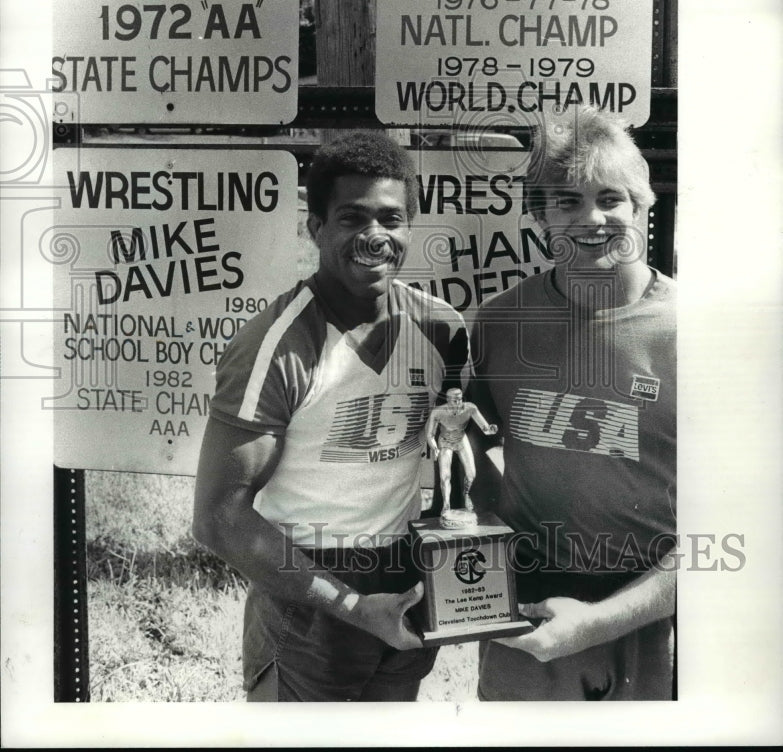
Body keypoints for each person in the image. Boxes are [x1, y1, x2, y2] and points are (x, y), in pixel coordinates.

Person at [192, 131, 470, 702]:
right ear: (315, 227)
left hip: (404, 578)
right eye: (352, 218)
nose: (375, 237)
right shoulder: (276, 346)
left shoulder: (442, 328)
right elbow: (219, 517)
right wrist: (348, 604)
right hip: (308, 593)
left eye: (392, 219)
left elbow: (455, 459)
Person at [471, 106, 676, 701]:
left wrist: (600, 622)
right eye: (566, 202)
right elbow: (467, 443)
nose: (592, 219)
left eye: (611, 198)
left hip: (655, 611)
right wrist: (485, 530)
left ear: (643, 206)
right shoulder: (502, 322)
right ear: (539, 217)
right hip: (533, 606)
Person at [424, 387, 497, 517]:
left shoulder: (470, 408)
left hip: (461, 440)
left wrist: (491, 429)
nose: (458, 403)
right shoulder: (438, 412)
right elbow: (430, 435)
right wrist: (434, 447)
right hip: (445, 442)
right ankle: (446, 505)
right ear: (448, 400)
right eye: (454, 400)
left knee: (471, 474)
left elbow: (485, 429)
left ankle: (467, 494)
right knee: (445, 476)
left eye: (460, 399)